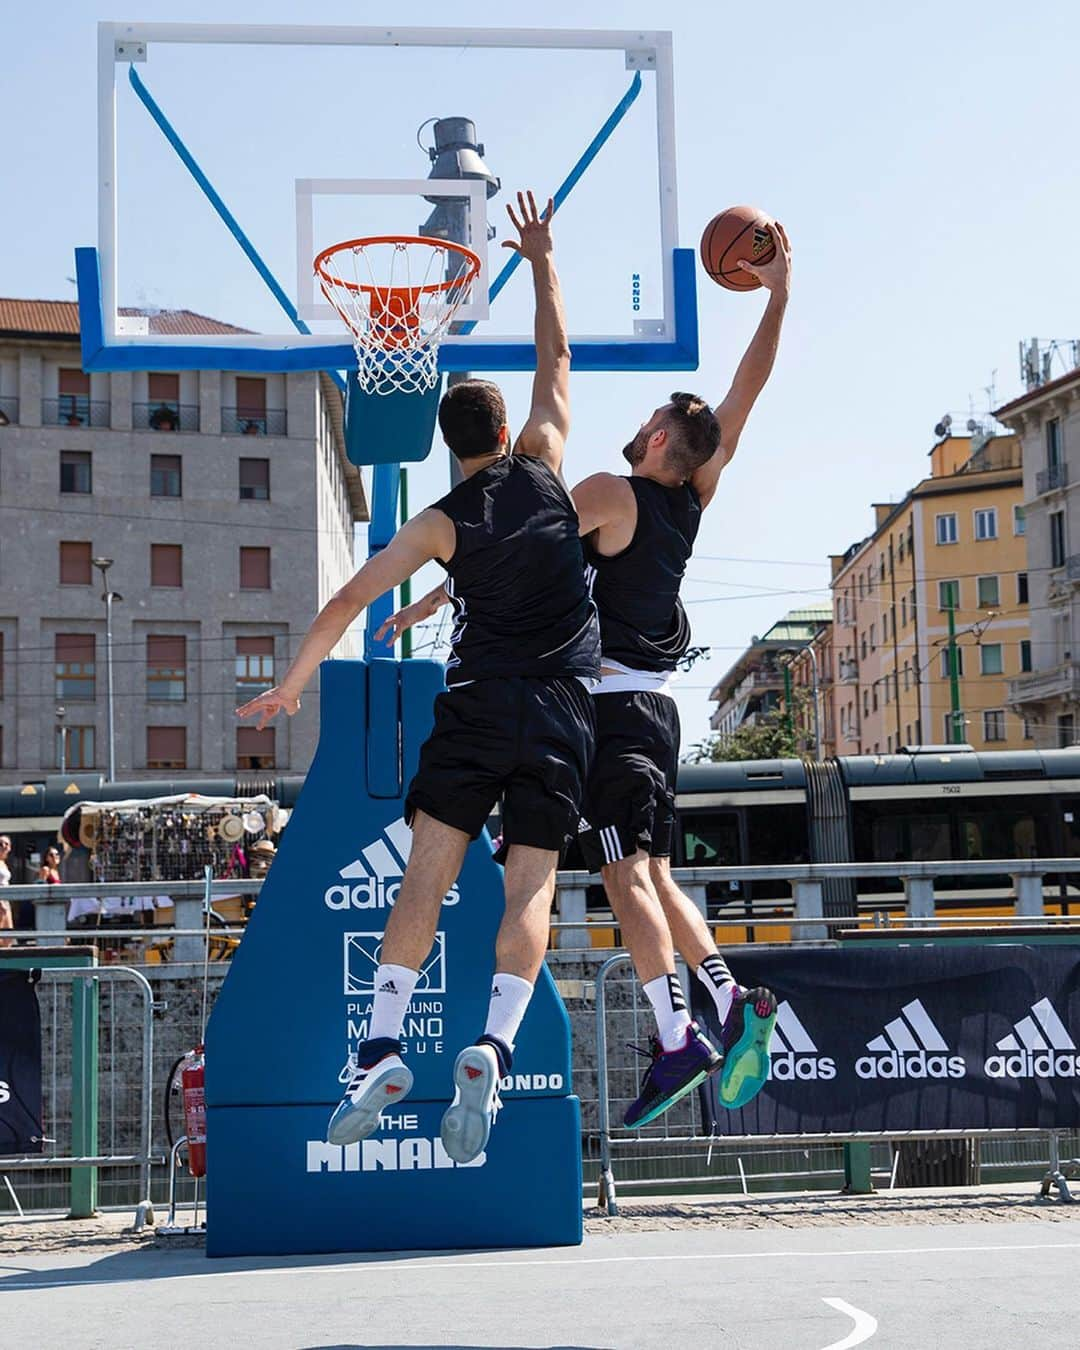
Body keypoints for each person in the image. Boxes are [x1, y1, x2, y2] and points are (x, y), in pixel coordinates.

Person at [383, 222, 793, 1126]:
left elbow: (514, 541)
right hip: (657, 705)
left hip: (603, 703)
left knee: (621, 879)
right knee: (648, 869)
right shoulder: (698, 491)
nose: (640, 421)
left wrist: (428, 600)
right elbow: (746, 393)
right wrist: (780, 292)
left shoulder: (612, 492)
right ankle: (730, 1001)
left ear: (653, 440)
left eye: (649, 420)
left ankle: (679, 1034)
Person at [237, 191, 599, 1165]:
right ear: (509, 427)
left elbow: (347, 601)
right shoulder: (550, 463)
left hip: (478, 707)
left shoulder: (440, 521)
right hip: (563, 714)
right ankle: (492, 1042)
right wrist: (543, 258)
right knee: (532, 890)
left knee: (427, 880)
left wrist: (291, 683)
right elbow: (556, 362)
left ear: (449, 441)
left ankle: (384, 1045)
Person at [0, 835, 13, 948]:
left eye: (6, 844)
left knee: (8, 936)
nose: (3, 846)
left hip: (6, 900)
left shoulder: (4, 863)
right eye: (0, 844)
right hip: (0, 901)